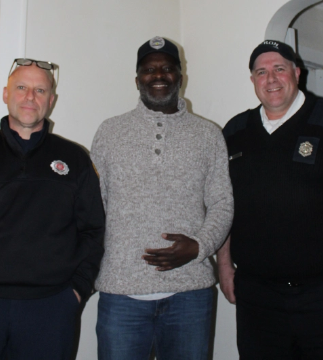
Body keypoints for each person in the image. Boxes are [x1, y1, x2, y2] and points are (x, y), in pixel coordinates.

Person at [218, 40, 323, 360]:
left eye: (279, 69)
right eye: (261, 72)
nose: (270, 78)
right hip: (259, 300)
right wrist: (224, 262)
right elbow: (224, 203)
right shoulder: (234, 132)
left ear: (297, 73)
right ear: (253, 81)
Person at [0, 58, 105, 360]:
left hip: (50, 309)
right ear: (5, 93)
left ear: (51, 101)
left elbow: (93, 230)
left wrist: (77, 289)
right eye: (22, 87)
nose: (30, 97)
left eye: (40, 90)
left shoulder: (74, 159)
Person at [91, 36, 234, 360]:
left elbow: (222, 202)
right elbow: (92, 208)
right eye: (149, 69)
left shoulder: (208, 134)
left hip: (191, 295)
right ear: (137, 78)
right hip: (121, 295)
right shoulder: (109, 132)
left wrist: (200, 246)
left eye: (167, 68)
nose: (158, 75)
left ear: (180, 77)